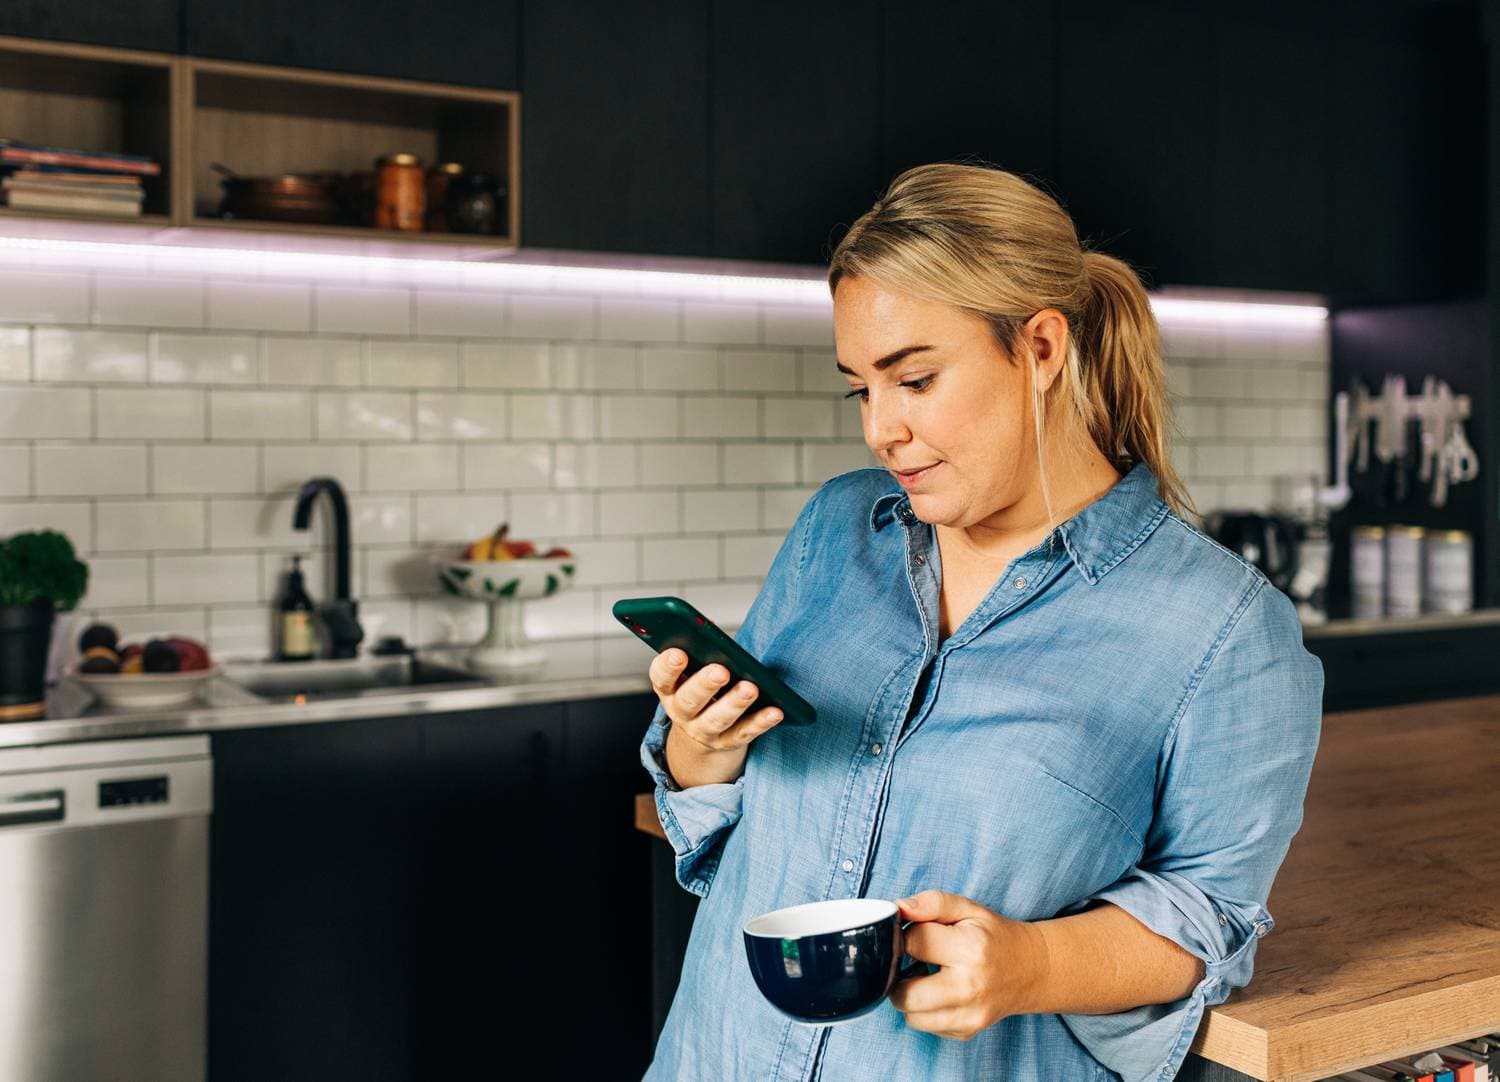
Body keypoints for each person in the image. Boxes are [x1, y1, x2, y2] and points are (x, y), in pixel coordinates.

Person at [638, 162, 1323, 1082]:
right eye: (861, 390)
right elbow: (715, 822)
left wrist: (1029, 966)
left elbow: (1209, 916)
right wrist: (705, 746)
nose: (881, 429)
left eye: (914, 379)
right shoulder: (835, 531)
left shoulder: (1226, 628)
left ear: (1040, 349)